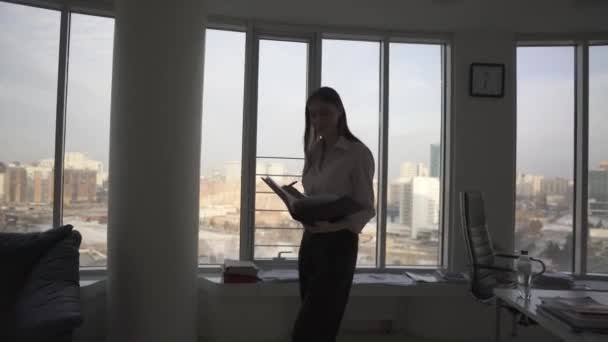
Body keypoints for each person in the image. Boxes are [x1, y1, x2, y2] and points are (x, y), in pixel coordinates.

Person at [291, 87, 375, 342]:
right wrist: (298, 204)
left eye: (324, 114)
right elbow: (316, 195)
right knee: (318, 324)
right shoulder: (314, 151)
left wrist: (333, 227)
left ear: (340, 112)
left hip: (338, 244)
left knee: (311, 327)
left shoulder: (357, 153)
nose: (317, 121)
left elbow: (366, 206)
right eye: (313, 115)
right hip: (310, 242)